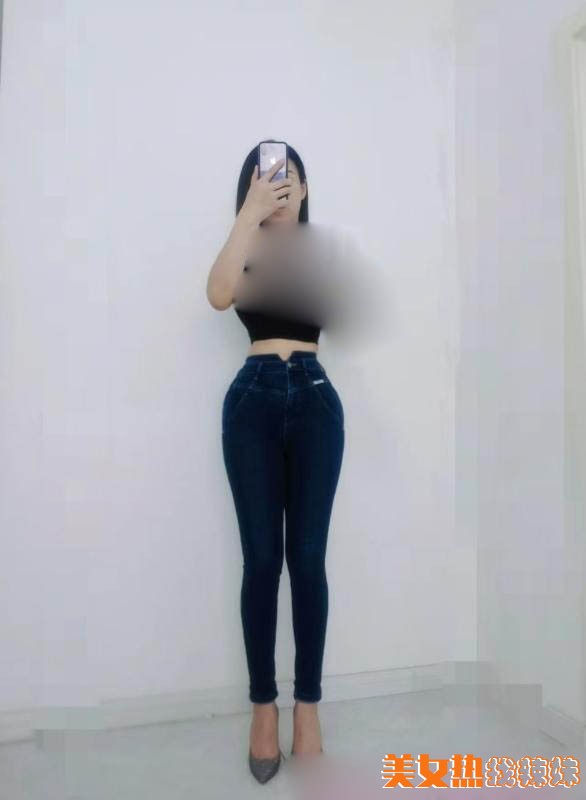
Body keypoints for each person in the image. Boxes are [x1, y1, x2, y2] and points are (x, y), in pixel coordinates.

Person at [206, 141, 345, 784]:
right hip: (252, 401)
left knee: (307, 561)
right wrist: (250, 215)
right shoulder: (244, 246)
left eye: (290, 178)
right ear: (250, 189)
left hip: (314, 399)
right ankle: (263, 708)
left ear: (306, 189)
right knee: (261, 562)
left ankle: (307, 710)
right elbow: (218, 294)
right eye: (267, 178)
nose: (280, 186)